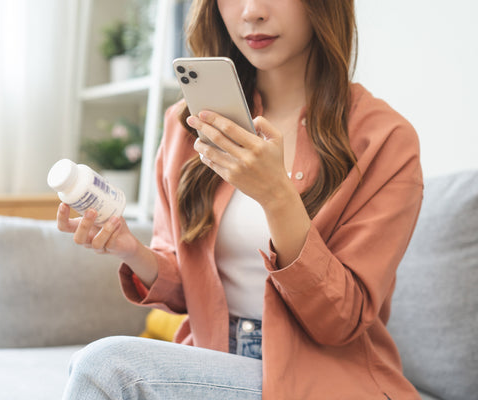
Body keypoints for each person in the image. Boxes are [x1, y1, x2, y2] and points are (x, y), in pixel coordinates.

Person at [57, 0, 423, 398]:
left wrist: (278, 199)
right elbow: (188, 290)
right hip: (215, 364)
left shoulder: (385, 140)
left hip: (325, 381)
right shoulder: (188, 125)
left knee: (106, 368)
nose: (251, 11)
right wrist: (130, 249)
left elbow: (340, 322)